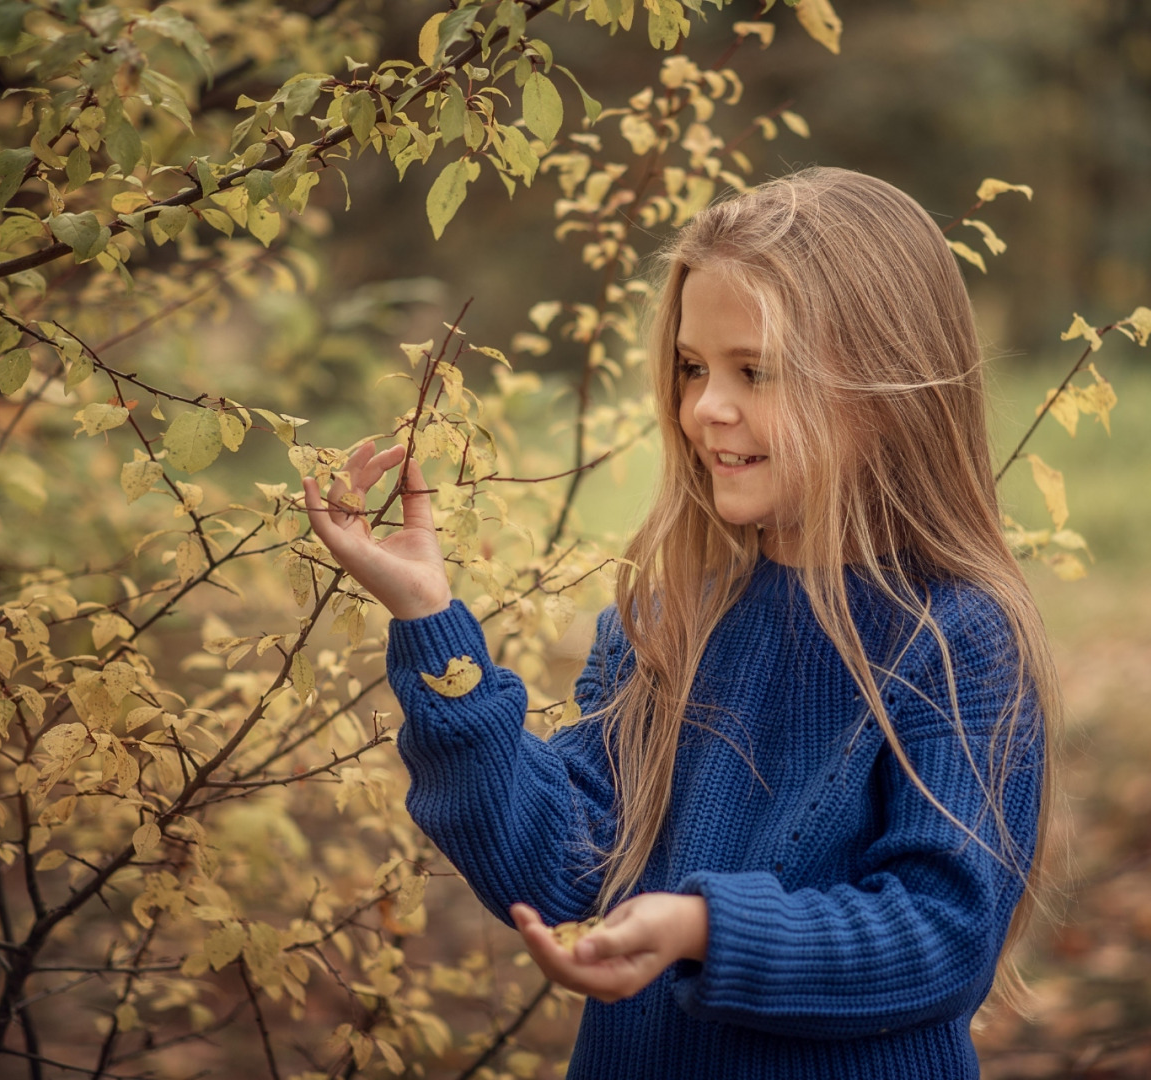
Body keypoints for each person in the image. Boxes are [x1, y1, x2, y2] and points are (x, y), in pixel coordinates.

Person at [302, 167, 1062, 1080]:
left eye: (757, 371)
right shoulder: (666, 621)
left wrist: (705, 929)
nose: (707, 407)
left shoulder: (955, 638)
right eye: (694, 367)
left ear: (884, 386)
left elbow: (941, 938)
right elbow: (568, 867)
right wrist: (428, 618)